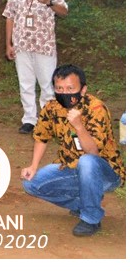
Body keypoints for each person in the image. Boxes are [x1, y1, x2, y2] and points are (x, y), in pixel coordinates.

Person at [21, 64, 125, 237]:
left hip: (104, 172)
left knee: (87, 161)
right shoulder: (52, 107)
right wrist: (33, 166)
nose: (65, 93)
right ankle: (83, 202)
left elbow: (93, 152)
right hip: (70, 167)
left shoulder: (96, 109)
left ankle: (91, 218)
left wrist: (79, 126)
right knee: (31, 184)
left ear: (83, 90)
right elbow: (41, 137)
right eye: (59, 88)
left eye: (70, 88)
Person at [3, 0, 69, 134]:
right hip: (21, 45)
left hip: (44, 46)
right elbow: (9, 17)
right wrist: (8, 44)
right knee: (25, 84)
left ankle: (48, 121)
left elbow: (64, 11)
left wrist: (49, 3)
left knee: (47, 85)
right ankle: (30, 120)